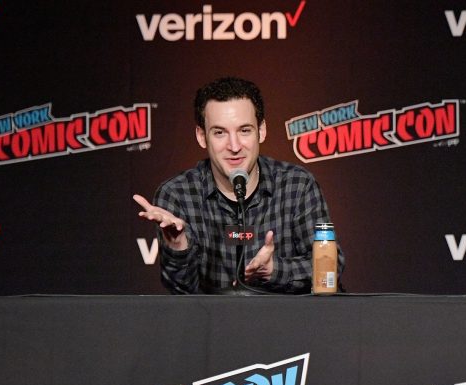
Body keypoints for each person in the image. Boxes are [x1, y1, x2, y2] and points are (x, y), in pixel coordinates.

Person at [133, 76, 344, 294]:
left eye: (244, 130)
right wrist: (178, 247)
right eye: (220, 132)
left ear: (261, 131)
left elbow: (330, 268)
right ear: (201, 136)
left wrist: (274, 270)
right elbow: (182, 290)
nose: (234, 146)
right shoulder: (177, 194)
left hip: (288, 323)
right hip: (214, 325)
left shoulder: (297, 185)